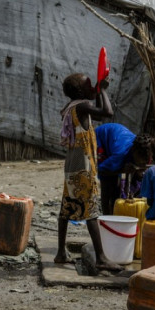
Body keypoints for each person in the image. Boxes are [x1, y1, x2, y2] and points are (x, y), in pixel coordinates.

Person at [56, 72, 118, 270]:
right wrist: (103, 91)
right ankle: (101, 258)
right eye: (89, 85)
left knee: (68, 206)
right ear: (81, 92)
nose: (93, 87)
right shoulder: (82, 107)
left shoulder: (71, 107)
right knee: (91, 210)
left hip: (72, 165)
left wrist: (98, 90)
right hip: (83, 165)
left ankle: (60, 253)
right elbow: (107, 113)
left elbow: (99, 111)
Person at [95, 124, 151, 214]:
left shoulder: (145, 153)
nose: (143, 164)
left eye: (145, 163)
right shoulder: (119, 154)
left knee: (117, 191)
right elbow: (100, 170)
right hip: (101, 138)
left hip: (116, 138)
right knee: (108, 184)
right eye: (141, 163)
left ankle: (115, 211)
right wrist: (121, 170)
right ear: (134, 152)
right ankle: (106, 217)